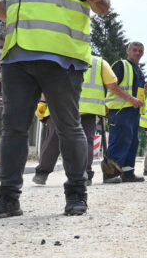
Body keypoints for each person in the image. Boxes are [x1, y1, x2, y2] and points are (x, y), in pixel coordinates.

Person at [0, 0, 111, 218]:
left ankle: (76, 193)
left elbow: (100, 6)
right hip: (16, 57)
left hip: (61, 58)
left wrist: (101, 1)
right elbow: (10, 12)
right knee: (13, 129)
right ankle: (7, 198)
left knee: (69, 128)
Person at [33, 55, 141, 185]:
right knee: (86, 141)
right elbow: (112, 85)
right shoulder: (99, 62)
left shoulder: (60, 57)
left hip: (60, 106)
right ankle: (85, 174)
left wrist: (43, 102)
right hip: (89, 108)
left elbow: (47, 83)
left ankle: (42, 173)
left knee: (53, 140)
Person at [106, 42, 147, 183]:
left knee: (132, 142)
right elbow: (111, 86)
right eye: (134, 50)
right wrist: (130, 99)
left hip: (133, 112)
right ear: (128, 51)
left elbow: (143, 92)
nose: (137, 53)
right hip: (120, 110)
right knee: (118, 141)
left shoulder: (138, 71)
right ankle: (110, 174)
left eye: (140, 50)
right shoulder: (121, 65)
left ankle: (128, 173)